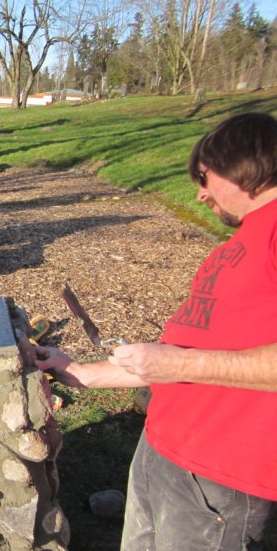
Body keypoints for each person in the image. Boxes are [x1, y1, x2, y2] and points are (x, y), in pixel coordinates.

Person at [33, 112, 277, 550]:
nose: (200, 193)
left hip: (220, 478)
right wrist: (82, 372)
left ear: (245, 164)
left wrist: (178, 361)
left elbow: (183, 360)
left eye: (205, 176)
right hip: (162, 451)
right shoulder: (242, 241)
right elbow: (184, 355)